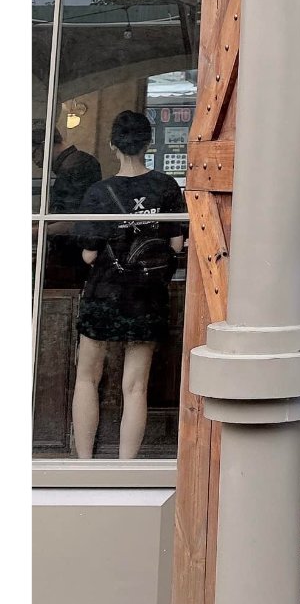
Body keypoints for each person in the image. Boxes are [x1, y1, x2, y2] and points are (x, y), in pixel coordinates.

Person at [72, 111, 187, 459]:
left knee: (87, 378)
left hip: (104, 294)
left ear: (113, 145)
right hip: (146, 296)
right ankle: (126, 469)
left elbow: (89, 256)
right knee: (136, 387)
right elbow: (176, 246)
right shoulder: (166, 187)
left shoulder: (98, 193)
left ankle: (84, 465)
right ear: (148, 143)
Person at [33, 123, 102, 287]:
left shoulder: (77, 166)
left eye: (33, 153)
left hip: (73, 258)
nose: (35, 161)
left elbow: (75, 220)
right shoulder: (74, 164)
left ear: (45, 144)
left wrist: (36, 231)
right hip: (70, 255)